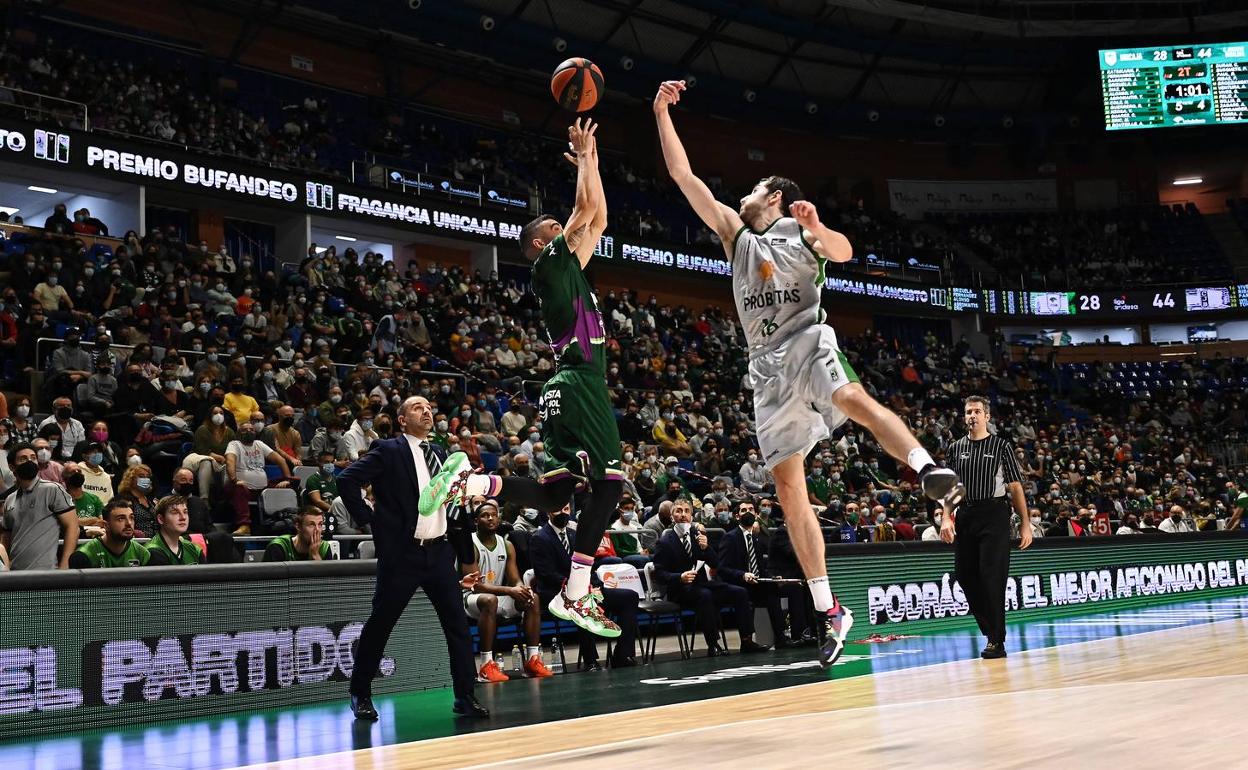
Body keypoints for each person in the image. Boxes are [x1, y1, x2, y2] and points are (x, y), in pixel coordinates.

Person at [654, 79, 960, 667]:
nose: (741, 195)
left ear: (773, 197)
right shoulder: (734, 236)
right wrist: (661, 112)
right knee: (789, 491)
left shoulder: (799, 229)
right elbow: (682, 177)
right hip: (765, 373)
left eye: (751, 189)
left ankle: (927, 469)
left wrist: (818, 227)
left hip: (807, 339)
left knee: (850, 396)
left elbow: (844, 252)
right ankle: (829, 609)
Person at [420, 118, 624, 641]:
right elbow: (584, 213)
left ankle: (469, 482)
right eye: (557, 228)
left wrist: (592, 159)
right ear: (542, 241)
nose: (569, 230)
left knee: (555, 497)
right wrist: (581, 161)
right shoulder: (548, 267)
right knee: (609, 483)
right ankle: (578, 589)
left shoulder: (568, 270)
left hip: (564, 385)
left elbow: (596, 219)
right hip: (580, 381)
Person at [336, 396, 488, 721]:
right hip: (403, 553)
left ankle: (465, 696)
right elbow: (346, 479)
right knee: (381, 624)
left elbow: (453, 507)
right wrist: (369, 518)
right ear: (402, 420)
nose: (427, 411)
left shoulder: (441, 455)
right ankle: (360, 692)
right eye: (418, 407)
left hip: (439, 551)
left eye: (429, 407)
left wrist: (465, 557)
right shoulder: (388, 450)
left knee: (458, 627)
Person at [940, 396, 1029, 660]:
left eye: (977, 411)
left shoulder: (1001, 446)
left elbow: (1014, 486)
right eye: (968, 412)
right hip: (966, 514)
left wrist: (1025, 523)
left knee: (992, 576)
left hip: (995, 513)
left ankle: (995, 640)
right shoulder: (955, 448)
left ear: (987, 416)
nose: (972, 416)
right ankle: (990, 629)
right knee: (964, 575)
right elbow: (951, 487)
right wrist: (947, 517)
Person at [652, 497, 770, 656]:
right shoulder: (664, 542)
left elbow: (716, 565)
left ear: (692, 516)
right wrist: (679, 577)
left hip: (701, 584)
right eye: (678, 511)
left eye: (686, 511)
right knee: (705, 595)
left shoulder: (697, 535)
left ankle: (747, 640)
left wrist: (706, 548)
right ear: (672, 517)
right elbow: (659, 574)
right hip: (680, 590)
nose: (683, 515)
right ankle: (713, 644)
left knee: (739, 592)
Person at [530, 502, 639, 668]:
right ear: (549, 512)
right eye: (559, 509)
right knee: (582, 601)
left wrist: (595, 585)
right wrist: (577, 587)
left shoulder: (575, 534)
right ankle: (590, 660)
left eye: (566, 509)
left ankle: (622, 655)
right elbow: (546, 574)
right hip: (556, 593)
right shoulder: (539, 538)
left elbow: (588, 565)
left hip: (585, 588)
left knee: (629, 597)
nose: (563, 513)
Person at [462, 500, 554, 682]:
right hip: (470, 598)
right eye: (485, 516)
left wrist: (521, 588)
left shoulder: (507, 544)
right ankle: (486, 666)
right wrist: (510, 590)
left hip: (498, 596)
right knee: (489, 600)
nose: (490, 518)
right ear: (476, 521)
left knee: (532, 598)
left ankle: (532, 661)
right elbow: (475, 585)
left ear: (499, 519)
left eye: (494, 515)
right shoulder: (469, 544)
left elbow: (514, 578)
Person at [717, 498, 810, 646]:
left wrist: (775, 579)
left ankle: (793, 636)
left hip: (757, 583)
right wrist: (742, 575)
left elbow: (761, 568)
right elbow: (722, 569)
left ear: (756, 513)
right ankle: (747, 642)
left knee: (792, 588)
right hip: (739, 584)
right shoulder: (730, 538)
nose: (748, 513)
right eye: (744, 510)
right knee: (746, 594)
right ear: (736, 516)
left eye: (751, 510)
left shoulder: (756, 539)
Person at [1, 443, 79, 569]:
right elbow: (6, 537)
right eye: (23, 459)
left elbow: (73, 527)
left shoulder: (52, 489)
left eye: (33, 458)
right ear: (12, 467)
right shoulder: (10, 499)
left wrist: (65, 565)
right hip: (15, 575)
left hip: (45, 574)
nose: (30, 461)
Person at [225, 421, 293, 536]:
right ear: (239, 433)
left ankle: (282, 524)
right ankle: (244, 526)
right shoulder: (234, 444)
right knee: (239, 488)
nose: (249, 431)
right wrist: (235, 480)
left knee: (286, 486)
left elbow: (280, 460)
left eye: (251, 429)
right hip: (242, 487)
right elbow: (230, 461)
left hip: (261, 488)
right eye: (245, 430)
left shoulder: (259, 444)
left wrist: (287, 479)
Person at [70, 497, 151, 568]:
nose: (129, 523)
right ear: (105, 525)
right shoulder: (84, 556)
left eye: (131, 518)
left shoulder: (143, 554)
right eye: (121, 519)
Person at [144, 494, 205, 565]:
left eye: (185, 512)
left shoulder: (194, 549)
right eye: (175, 512)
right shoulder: (153, 551)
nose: (183, 517)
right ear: (161, 519)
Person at [264, 508, 336, 561]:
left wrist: (315, 555)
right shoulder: (279, 546)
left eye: (320, 524)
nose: (317, 529)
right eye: (311, 525)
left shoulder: (324, 547)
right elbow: (272, 581)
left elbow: (326, 580)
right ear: (298, 526)